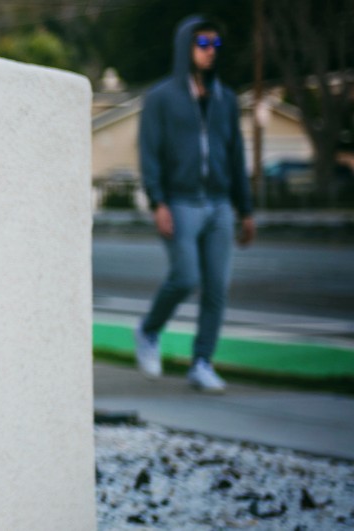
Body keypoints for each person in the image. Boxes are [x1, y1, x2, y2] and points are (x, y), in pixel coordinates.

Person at [134, 15, 255, 393]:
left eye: (215, 45)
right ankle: (149, 331)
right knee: (186, 277)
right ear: (185, 46)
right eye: (202, 44)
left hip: (218, 204)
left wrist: (245, 209)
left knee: (217, 288)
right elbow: (149, 153)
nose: (209, 51)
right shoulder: (161, 98)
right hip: (180, 202)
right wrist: (158, 202)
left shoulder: (226, 99)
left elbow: (236, 157)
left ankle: (202, 362)